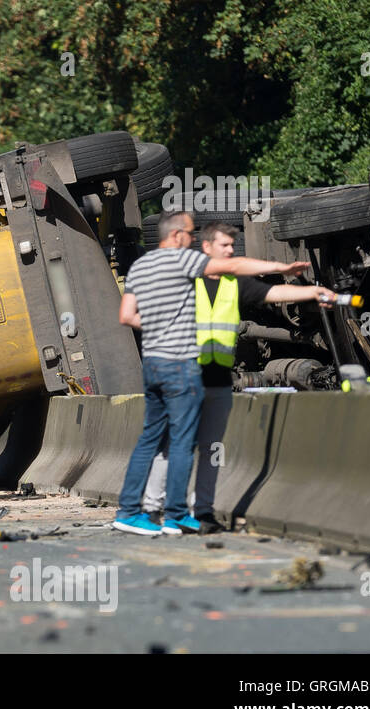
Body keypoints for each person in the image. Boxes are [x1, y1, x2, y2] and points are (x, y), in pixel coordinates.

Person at [112, 211, 309, 536]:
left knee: (149, 440)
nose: (193, 241)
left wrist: (160, 329)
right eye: (190, 234)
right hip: (180, 364)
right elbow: (231, 267)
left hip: (154, 363)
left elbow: (126, 315)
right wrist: (280, 268)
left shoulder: (140, 267)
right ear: (176, 236)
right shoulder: (181, 262)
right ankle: (176, 514)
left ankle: (129, 512)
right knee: (183, 441)